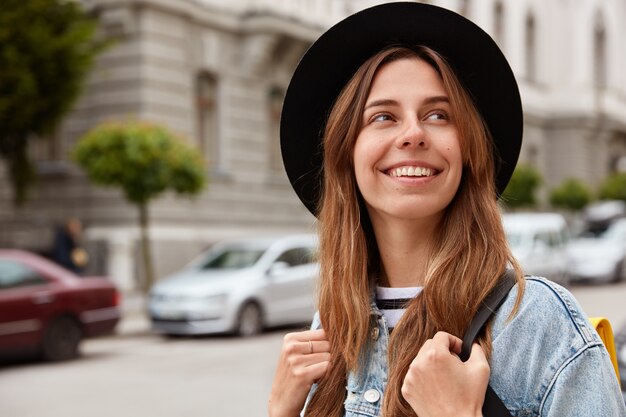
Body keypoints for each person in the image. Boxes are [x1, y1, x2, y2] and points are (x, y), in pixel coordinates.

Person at [269, 3, 626, 417]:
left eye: (438, 115)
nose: (413, 134)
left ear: (467, 151)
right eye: (383, 116)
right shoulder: (330, 328)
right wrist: (281, 412)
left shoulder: (536, 324)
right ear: (346, 153)